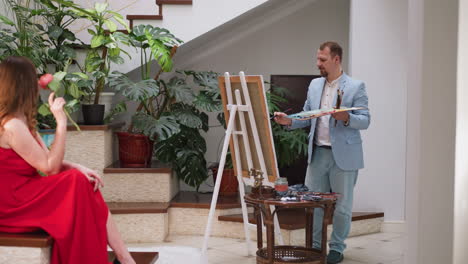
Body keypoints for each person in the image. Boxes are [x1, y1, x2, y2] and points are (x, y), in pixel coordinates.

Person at [0, 56, 136, 264]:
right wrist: (61, 123)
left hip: (26, 191)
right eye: (33, 78)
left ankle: (123, 256)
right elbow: (50, 168)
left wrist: (78, 166)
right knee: (76, 182)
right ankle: (123, 257)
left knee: (83, 181)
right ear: (23, 84)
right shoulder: (12, 126)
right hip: (13, 204)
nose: (38, 83)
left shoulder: (21, 119)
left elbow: (46, 160)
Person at [274, 41, 370, 264]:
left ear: (336, 59)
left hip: (344, 157)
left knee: (343, 207)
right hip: (317, 155)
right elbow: (308, 114)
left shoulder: (356, 86)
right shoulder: (315, 85)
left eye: (323, 60)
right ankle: (316, 247)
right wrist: (289, 121)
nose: (318, 64)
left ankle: (336, 248)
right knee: (313, 204)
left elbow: (365, 121)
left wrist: (346, 118)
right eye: (318, 59)